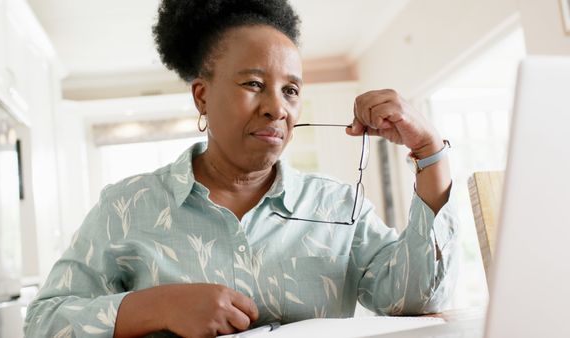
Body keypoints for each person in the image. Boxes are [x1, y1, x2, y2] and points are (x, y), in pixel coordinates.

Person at [24, 0, 458, 337]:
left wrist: (429, 151)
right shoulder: (126, 206)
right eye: (253, 84)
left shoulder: (339, 204)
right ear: (202, 97)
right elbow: (44, 323)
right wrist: (158, 306)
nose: (276, 108)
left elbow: (418, 298)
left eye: (290, 90)